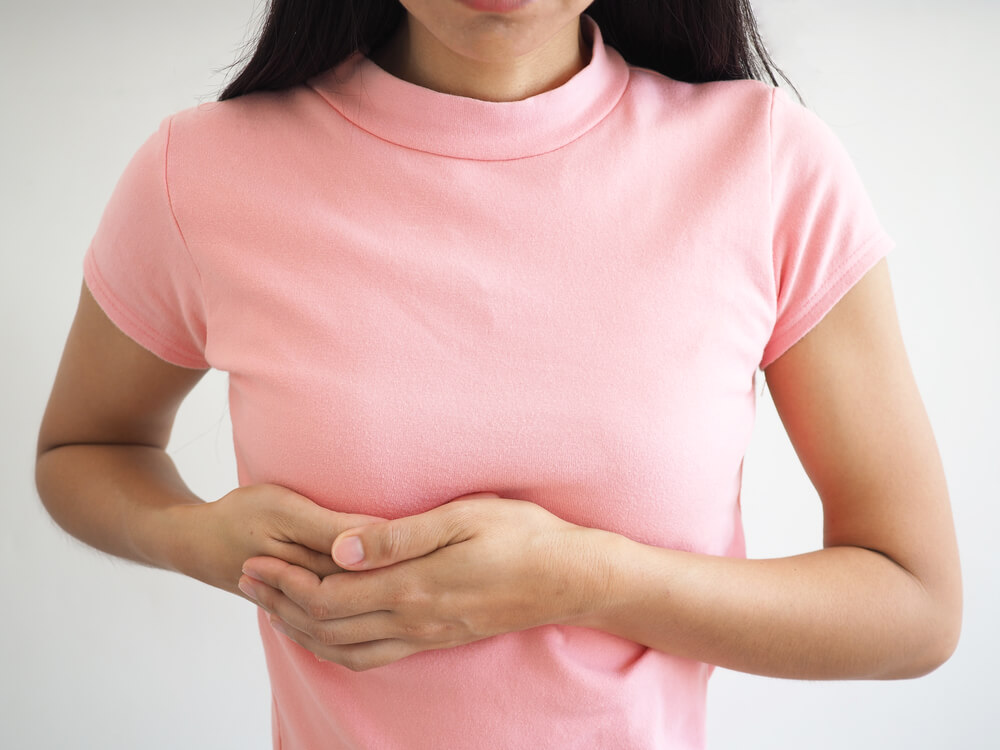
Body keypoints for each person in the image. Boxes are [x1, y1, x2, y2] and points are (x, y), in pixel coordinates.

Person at [35, 1, 962, 748]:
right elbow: (84, 447)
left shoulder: (766, 166)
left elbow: (913, 606)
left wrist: (584, 579)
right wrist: (199, 539)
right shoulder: (201, 171)